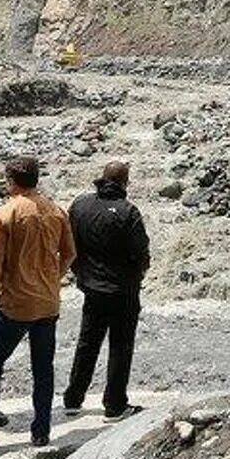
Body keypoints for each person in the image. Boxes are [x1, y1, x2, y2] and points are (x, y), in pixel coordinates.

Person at [0, 155, 75, 453]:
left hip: (17, 302)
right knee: (43, 367)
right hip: (48, 302)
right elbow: (70, 254)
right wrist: (52, 279)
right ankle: (41, 431)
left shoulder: (7, 212)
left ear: (10, 182)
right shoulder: (55, 209)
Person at [64, 161, 152, 420]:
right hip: (122, 290)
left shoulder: (80, 205)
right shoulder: (128, 212)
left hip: (91, 287)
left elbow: (70, 244)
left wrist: (80, 273)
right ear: (125, 182)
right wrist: (139, 274)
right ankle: (114, 404)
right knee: (120, 346)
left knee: (87, 342)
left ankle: (73, 398)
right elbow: (140, 252)